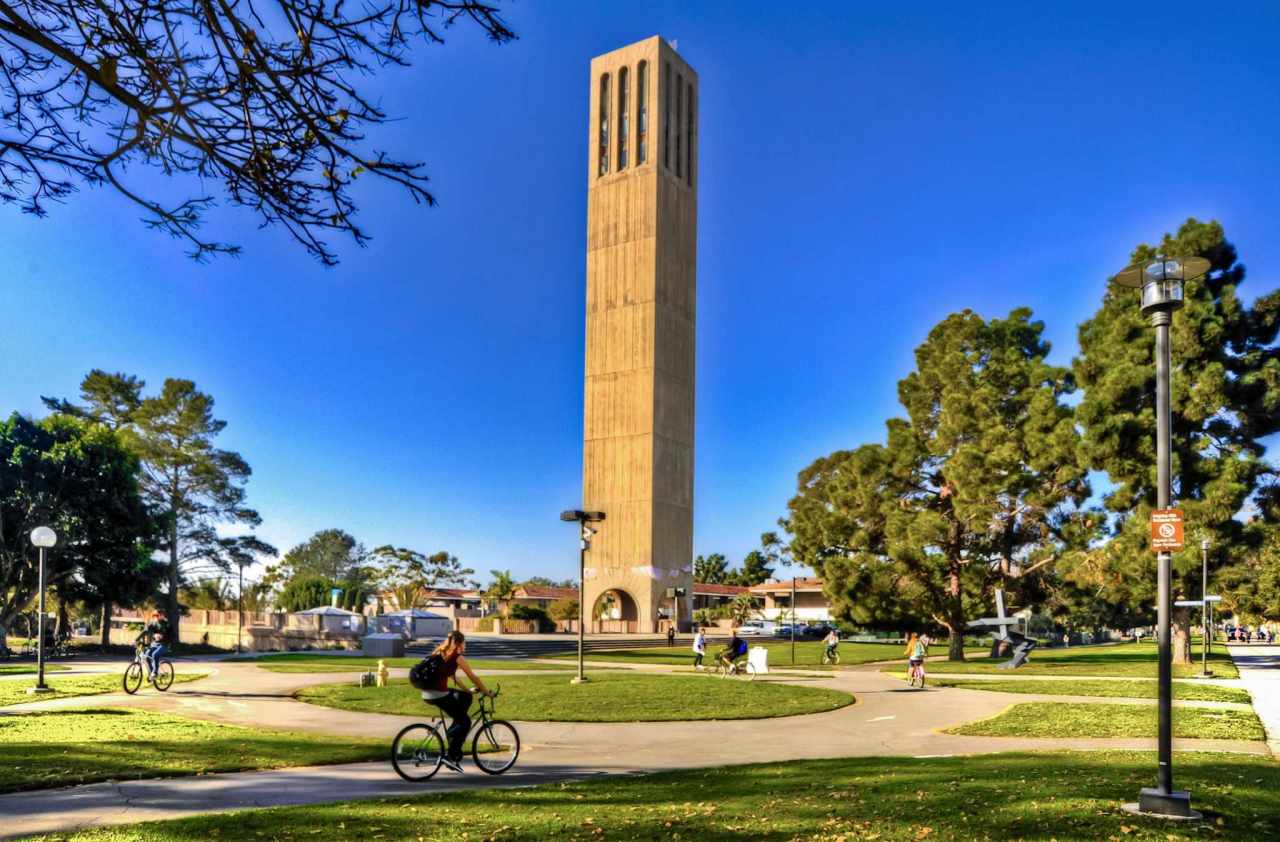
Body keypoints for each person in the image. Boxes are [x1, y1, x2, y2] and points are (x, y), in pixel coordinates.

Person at [419, 630, 493, 772]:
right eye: (465, 643)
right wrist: (486, 692)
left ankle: (455, 729)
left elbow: (454, 678)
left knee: (465, 697)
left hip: (427, 693)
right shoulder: (457, 657)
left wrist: (467, 691)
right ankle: (451, 756)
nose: (466, 645)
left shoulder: (442, 652)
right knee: (466, 722)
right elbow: (473, 677)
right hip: (438, 694)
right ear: (460, 643)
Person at [135, 610, 169, 679]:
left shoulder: (167, 624)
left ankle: (155, 673)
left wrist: (162, 636)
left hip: (165, 644)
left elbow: (172, 635)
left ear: (162, 615)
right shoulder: (153, 623)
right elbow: (145, 631)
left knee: (154, 654)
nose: (155, 617)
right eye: (154, 615)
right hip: (155, 644)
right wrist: (137, 639)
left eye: (157, 615)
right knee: (147, 656)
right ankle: (151, 673)